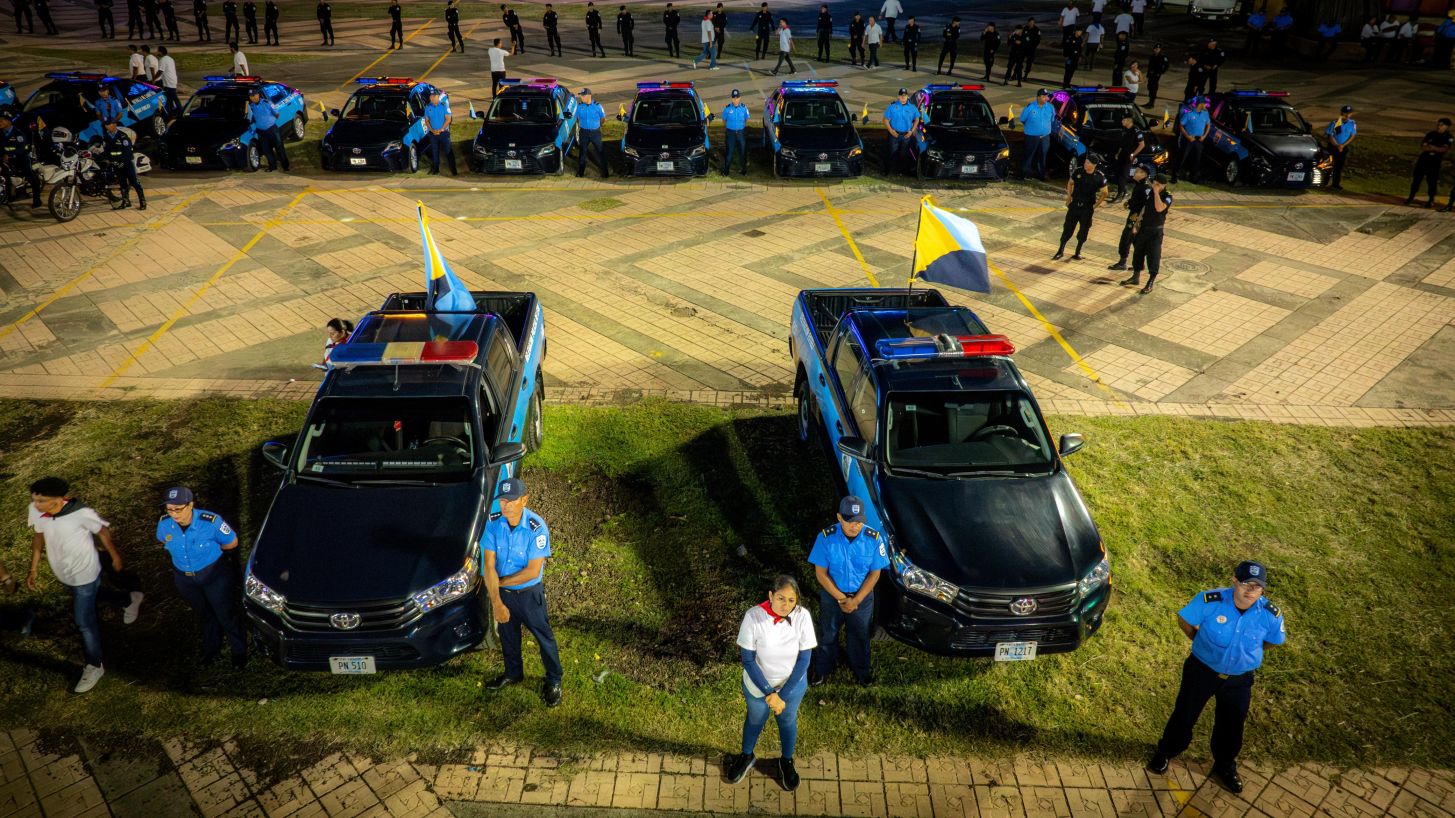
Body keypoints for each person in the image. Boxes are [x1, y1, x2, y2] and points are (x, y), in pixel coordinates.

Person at [1147, 561, 1285, 793]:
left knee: (1232, 726)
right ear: (1234, 581)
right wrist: (1200, 643)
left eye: (1257, 586)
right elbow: (1186, 621)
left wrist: (1244, 655)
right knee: (1184, 715)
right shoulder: (1210, 601)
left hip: (1239, 680)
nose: (1251, 590)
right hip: (1202, 671)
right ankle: (1165, 753)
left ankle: (1225, 765)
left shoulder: (1270, 615)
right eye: (1246, 583)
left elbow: (1272, 641)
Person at [26, 477, 145, 694]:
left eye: (41, 501)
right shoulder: (37, 510)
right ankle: (129, 599)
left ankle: (95, 665)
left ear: (58, 499)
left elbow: (102, 531)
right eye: (35, 500)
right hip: (63, 572)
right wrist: (33, 568)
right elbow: (38, 536)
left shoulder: (81, 513)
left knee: (84, 622)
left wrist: (115, 556)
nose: (36, 505)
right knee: (93, 595)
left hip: (84, 573)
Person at [724, 575, 815, 791]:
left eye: (791, 600)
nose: (786, 605)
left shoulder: (803, 617)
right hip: (757, 686)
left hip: (791, 688)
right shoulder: (753, 616)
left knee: (787, 722)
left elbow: (804, 660)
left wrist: (781, 696)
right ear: (771, 595)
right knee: (755, 720)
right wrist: (769, 692)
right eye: (781, 598)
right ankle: (747, 756)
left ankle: (786, 761)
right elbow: (747, 659)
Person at [481, 479, 563, 709]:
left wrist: (499, 583)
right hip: (503, 594)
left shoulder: (536, 527)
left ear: (524, 500)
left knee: (543, 637)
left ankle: (554, 680)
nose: (505, 506)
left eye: (511, 500)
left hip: (529, 595)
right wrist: (496, 601)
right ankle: (513, 673)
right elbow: (488, 564)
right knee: (508, 636)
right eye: (502, 500)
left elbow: (532, 571)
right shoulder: (493, 523)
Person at [155, 487, 248, 669]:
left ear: (190, 505)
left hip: (214, 575)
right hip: (185, 579)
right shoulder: (164, 523)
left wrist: (211, 556)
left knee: (225, 613)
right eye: (169, 509)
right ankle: (211, 649)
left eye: (178, 509)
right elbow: (163, 540)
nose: (174, 513)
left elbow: (232, 542)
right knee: (205, 614)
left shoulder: (211, 522)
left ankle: (238, 650)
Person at [808, 497, 887, 688]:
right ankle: (823, 669)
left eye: (859, 520)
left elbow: (875, 574)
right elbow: (820, 573)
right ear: (839, 518)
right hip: (833, 595)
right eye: (850, 520)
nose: (855, 525)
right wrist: (843, 599)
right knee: (828, 634)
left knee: (860, 635)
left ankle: (862, 671)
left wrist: (856, 600)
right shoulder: (826, 538)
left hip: (862, 597)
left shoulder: (873, 538)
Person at [1054, 153, 1107, 259]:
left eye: (1088, 163)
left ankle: (1077, 252)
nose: (1085, 164)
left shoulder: (1099, 177)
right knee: (1068, 228)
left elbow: (1105, 193)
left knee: (1083, 231)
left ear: (1094, 165)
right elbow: (1070, 183)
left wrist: (1095, 206)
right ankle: (1060, 250)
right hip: (1074, 205)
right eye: (1085, 162)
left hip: (1087, 208)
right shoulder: (1078, 171)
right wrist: (1069, 196)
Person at [1124, 173, 1170, 292]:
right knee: (1138, 252)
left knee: (1153, 256)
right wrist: (1137, 223)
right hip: (1144, 228)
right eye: (1153, 183)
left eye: (1157, 184)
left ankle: (1150, 282)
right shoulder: (1150, 193)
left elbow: (1159, 208)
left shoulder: (1167, 196)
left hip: (1156, 231)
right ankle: (1135, 277)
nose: (1153, 186)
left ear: (1162, 185)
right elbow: (1145, 208)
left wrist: (1156, 193)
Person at [1108, 163, 1150, 271]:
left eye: (1137, 171)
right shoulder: (1139, 185)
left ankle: (1123, 262)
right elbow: (1137, 200)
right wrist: (1129, 203)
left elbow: (1145, 205)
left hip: (1136, 217)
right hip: (1134, 215)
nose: (1135, 173)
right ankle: (1139, 264)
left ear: (1144, 174)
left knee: (1127, 237)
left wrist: (1138, 220)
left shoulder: (1145, 188)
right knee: (1135, 240)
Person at [0, 109, 43, 208]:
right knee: (6, 176)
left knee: (31, 177)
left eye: (1, 120)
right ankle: (10, 196)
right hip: (5, 159)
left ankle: (37, 199)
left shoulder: (18, 134)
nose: (0, 122)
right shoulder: (1, 133)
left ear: (8, 121)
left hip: (21, 158)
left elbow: (21, 149)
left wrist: (9, 154)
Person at [1408, 118, 1451, 207]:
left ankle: (1431, 200)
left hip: (1434, 161)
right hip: (1424, 159)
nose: (1439, 126)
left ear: (1447, 127)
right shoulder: (1431, 134)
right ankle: (1410, 197)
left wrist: (1433, 148)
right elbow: (1423, 146)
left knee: (1432, 181)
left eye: (1442, 125)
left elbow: (1444, 149)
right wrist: (1433, 148)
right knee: (1417, 179)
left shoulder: (1448, 137)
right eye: (1438, 124)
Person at [247, 86, 287, 172]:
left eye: (254, 95)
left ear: (258, 95)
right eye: (251, 96)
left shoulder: (267, 103)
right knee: (266, 150)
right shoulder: (251, 107)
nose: (253, 97)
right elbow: (251, 118)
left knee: (279, 148)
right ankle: (272, 166)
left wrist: (270, 122)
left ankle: (285, 166)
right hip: (261, 132)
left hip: (272, 129)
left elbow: (277, 114)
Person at [1018, 88, 1055, 180]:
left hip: (1045, 137)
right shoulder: (1030, 107)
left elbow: (1052, 119)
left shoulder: (1050, 107)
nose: (1046, 98)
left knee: (1042, 156)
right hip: (1031, 137)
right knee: (1028, 155)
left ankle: (1040, 174)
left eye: (1047, 96)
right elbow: (1022, 119)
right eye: (1044, 96)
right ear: (1038, 97)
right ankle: (1024, 174)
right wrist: (1033, 128)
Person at [1172, 96, 1209, 183]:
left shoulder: (1205, 113)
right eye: (1204, 103)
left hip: (1199, 139)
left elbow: (1208, 125)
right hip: (1189, 139)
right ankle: (1175, 176)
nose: (1206, 105)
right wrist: (1187, 136)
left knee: (1197, 159)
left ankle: (1193, 177)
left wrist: (1204, 136)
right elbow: (1181, 125)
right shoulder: (1189, 113)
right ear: (1200, 104)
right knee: (1182, 157)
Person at [882, 88, 917, 173]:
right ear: (898, 96)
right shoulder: (892, 106)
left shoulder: (912, 107)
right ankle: (887, 170)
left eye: (904, 95)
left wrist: (911, 131)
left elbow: (917, 119)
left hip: (906, 135)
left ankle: (901, 171)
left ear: (907, 96)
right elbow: (885, 119)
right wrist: (891, 131)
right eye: (901, 95)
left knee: (904, 154)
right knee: (891, 152)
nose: (903, 97)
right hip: (894, 134)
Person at [1110, 113, 1144, 201]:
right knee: (1117, 173)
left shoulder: (1136, 131)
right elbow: (1122, 144)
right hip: (1122, 155)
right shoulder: (1125, 130)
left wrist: (1133, 154)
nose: (1122, 121)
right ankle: (1124, 191)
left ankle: (1120, 195)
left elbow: (1142, 145)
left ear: (1129, 120)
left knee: (1123, 175)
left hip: (1129, 157)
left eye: (1124, 120)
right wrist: (1118, 153)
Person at [576, 88, 609, 176]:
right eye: (581, 96)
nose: (581, 97)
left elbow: (602, 119)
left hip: (595, 133)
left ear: (589, 95)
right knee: (582, 152)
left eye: (583, 96)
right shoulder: (579, 106)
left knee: (600, 151)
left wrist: (596, 126)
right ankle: (580, 173)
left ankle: (605, 173)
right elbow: (576, 117)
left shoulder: (598, 106)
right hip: (584, 133)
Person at [423, 89, 454, 175]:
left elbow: (448, 120)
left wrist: (441, 129)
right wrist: (432, 130)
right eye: (431, 96)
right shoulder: (428, 107)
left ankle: (453, 169)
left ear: (438, 97)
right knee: (434, 151)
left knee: (448, 151)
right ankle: (436, 169)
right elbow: (426, 120)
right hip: (433, 134)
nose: (431, 98)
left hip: (443, 133)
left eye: (433, 96)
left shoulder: (444, 106)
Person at [1324, 105, 1356, 190]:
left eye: (1349, 113)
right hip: (1332, 147)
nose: (1347, 114)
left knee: (1339, 167)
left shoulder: (1352, 123)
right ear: (1341, 113)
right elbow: (1330, 135)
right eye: (1345, 112)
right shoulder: (1335, 122)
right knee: (1328, 166)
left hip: (1343, 148)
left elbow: (1352, 136)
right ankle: (1323, 183)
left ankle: (1335, 184)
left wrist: (1343, 145)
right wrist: (1337, 145)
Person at [721, 89, 749, 175]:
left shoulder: (744, 108)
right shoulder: (727, 108)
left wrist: (740, 127)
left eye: (737, 98)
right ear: (731, 99)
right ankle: (726, 171)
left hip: (741, 133)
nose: (735, 100)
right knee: (729, 152)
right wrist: (731, 127)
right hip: (731, 133)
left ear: (740, 98)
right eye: (734, 98)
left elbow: (746, 118)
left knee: (743, 151)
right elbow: (724, 120)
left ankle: (743, 170)